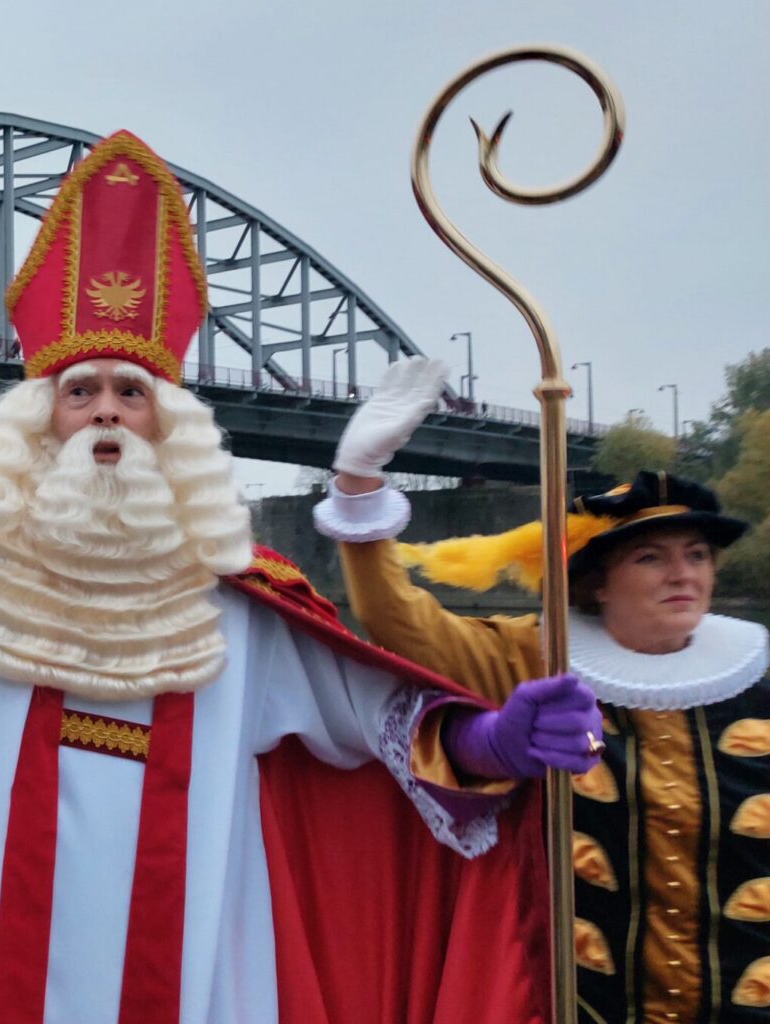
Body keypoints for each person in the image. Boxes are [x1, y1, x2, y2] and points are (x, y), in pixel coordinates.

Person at [0, 107, 596, 1023]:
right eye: (81, 392)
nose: (107, 412)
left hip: (193, 964)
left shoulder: (245, 600)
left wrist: (493, 741)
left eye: (131, 393)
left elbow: (383, 722)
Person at [314, 359, 770, 1021]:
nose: (683, 573)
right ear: (599, 584)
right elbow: (396, 621)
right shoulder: (537, 658)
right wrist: (359, 485)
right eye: (652, 557)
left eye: (697, 555)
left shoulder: (757, 675)